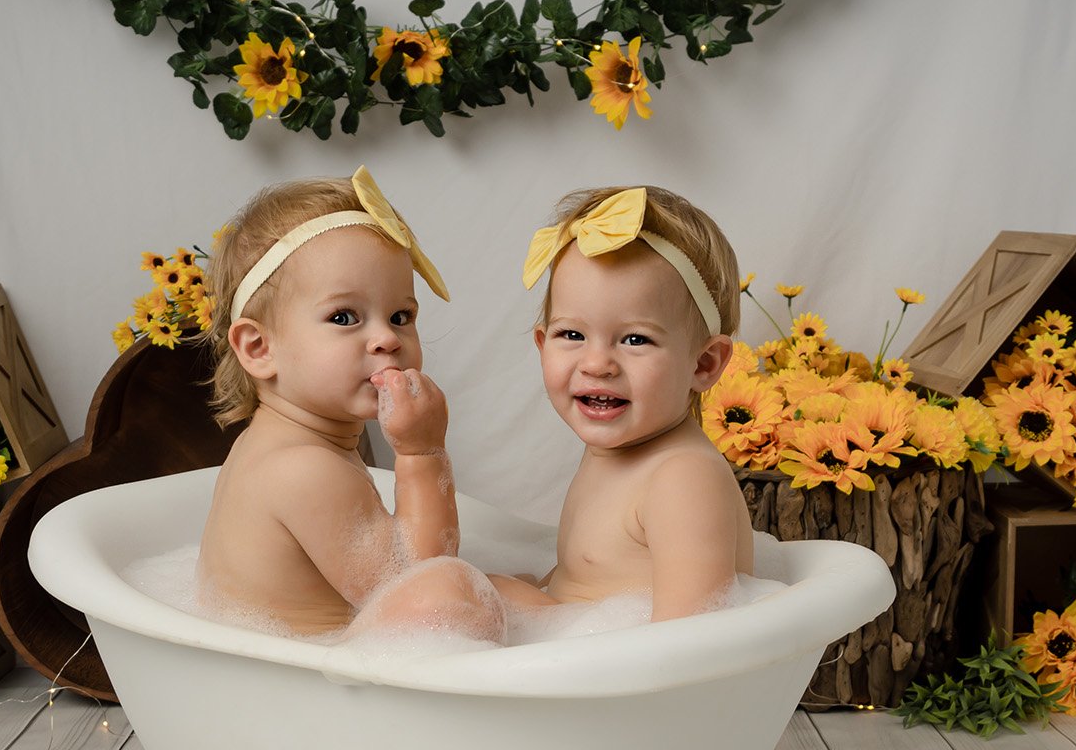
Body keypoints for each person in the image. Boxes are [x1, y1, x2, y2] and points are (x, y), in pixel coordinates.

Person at [196, 166, 504, 641]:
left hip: (318, 654)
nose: (387, 338)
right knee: (455, 590)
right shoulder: (303, 469)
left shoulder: (282, 444)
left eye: (400, 315)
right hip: (303, 676)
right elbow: (419, 579)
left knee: (508, 588)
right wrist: (423, 453)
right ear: (259, 348)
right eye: (344, 317)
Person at [492, 185, 754, 623]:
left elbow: (692, 642)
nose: (596, 364)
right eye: (572, 334)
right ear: (542, 343)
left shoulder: (682, 479)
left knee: (451, 591)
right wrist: (532, 593)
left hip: (619, 660)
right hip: (583, 640)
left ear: (704, 363)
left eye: (635, 339)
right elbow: (593, 575)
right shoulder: (613, 448)